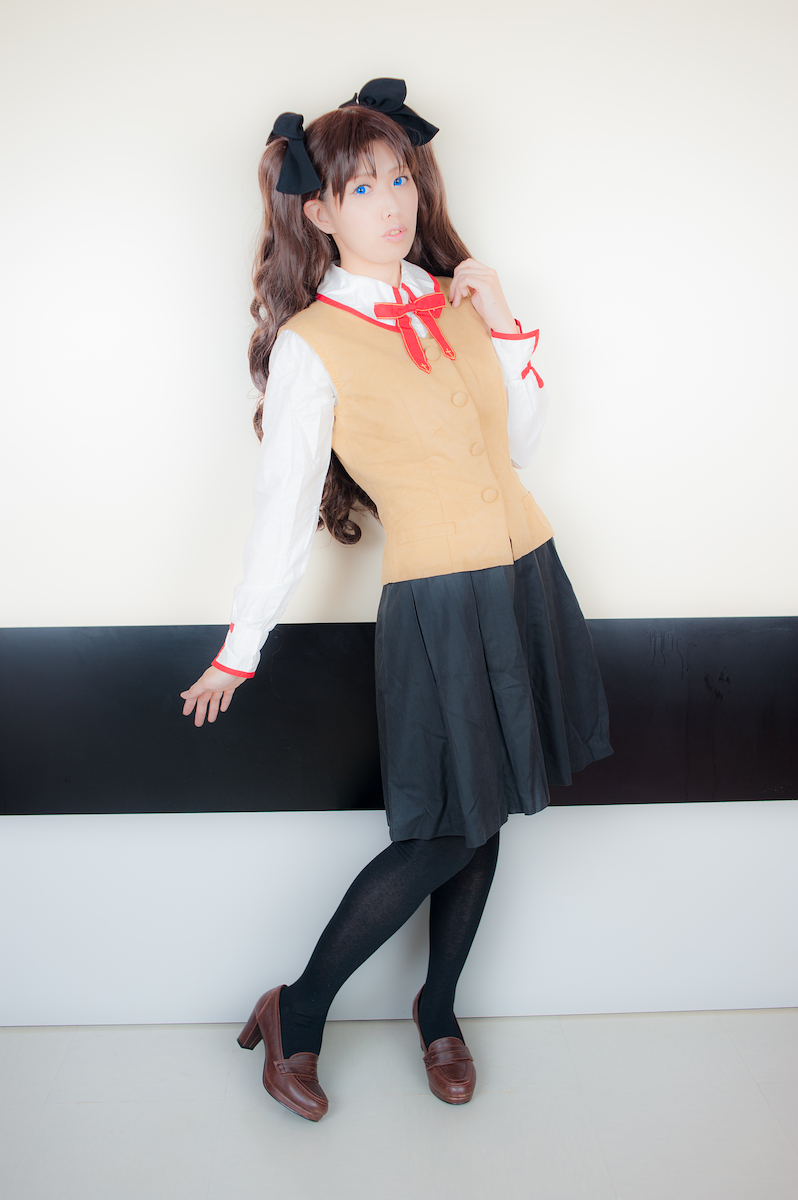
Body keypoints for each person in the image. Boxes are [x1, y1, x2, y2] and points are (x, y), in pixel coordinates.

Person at [180, 79, 612, 1122]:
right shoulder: (313, 342)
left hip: (525, 571)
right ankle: (300, 1007)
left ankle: (439, 1009)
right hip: (439, 600)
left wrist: (503, 323)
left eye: (399, 178)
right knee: (446, 824)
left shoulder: (453, 300)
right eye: (362, 187)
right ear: (319, 212)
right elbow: (284, 509)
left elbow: (518, 445)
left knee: (488, 809)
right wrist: (240, 647)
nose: (392, 201)